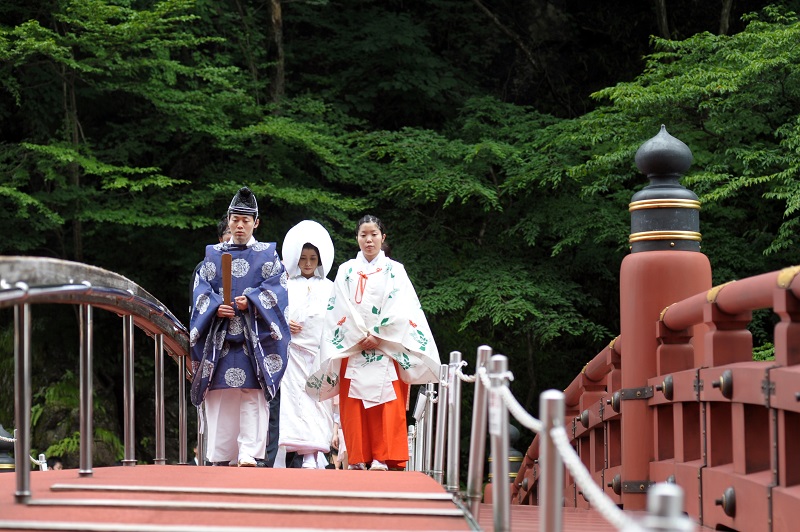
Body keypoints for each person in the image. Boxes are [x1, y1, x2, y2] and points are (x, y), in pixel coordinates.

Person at [306, 214, 440, 471]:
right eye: (363, 235)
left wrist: (379, 334)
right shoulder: (346, 270)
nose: (368, 240)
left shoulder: (395, 270)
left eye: (374, 234)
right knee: (354, 404)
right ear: (357, 238)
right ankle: (358, 456)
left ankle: (382, 456)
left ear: (383, 237)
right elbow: (338, 309)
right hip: (354, 347)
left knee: (387, 404)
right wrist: (358, 336)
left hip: (386, 346)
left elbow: (404, 307)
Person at [189, 186, 290, 467]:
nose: (240, 225)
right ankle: (222, 454)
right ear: (229, 219)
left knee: (252, 395)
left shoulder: (269, 256)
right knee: (221, 395)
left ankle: (248, 452)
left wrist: (253, 301)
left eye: (246, 220)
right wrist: (213, 307)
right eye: (235, 219)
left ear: (256, 222)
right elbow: (201, 292)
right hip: (220, 336)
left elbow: (277, 293)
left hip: (253, 338)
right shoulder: (212, 256)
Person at [276, 220, 336, 469]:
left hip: (319, 353)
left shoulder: (331, 287)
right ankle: (291, 453)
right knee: (291, 401)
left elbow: (336, 319)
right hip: (293, 351)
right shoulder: (285, 285)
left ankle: (313, 453)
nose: (308, 263)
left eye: (313, 257)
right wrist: (284, 323)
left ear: (320, 259)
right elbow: (275, 312)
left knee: (318, 402)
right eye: (303, 258)